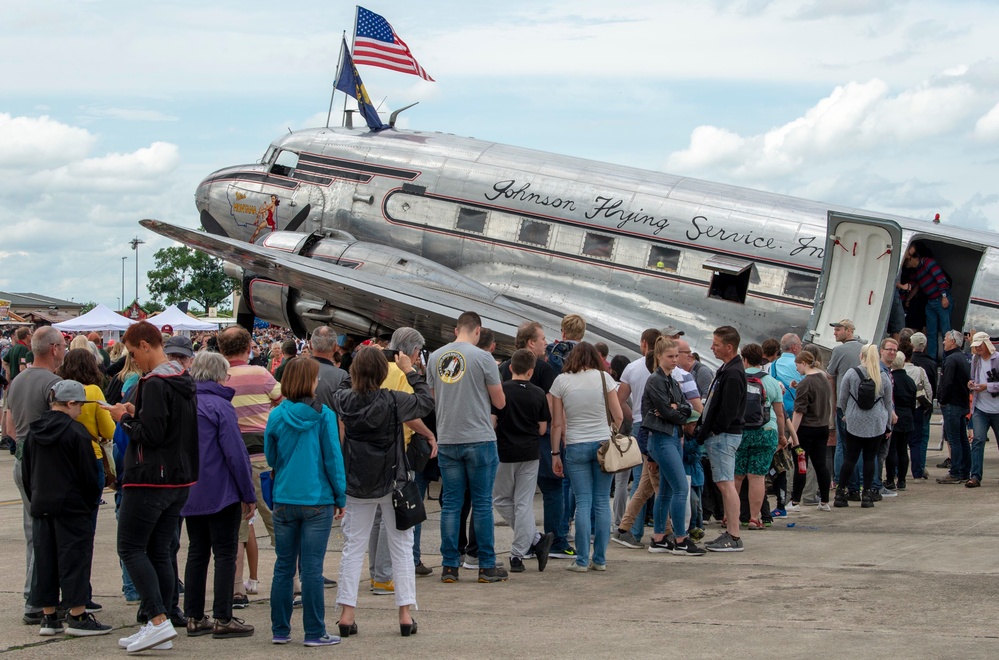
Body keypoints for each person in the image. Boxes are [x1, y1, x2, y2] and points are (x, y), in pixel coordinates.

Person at [105, 321, 199, 653]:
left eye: (133, 353)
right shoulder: (183, 378)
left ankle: (157, 619)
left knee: (130, 548)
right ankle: (159, 622)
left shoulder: (156, 381)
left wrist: (124, 418)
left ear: (146, 345)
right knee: (160, 549)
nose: (133, 360)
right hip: (178, 477)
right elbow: (168, 425)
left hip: (150, 478)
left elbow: (153, 433)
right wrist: (135, 410)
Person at [332, 347, 434, 638]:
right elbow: (425, 401)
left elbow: (343, 385)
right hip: (393, 482)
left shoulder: (345, 399)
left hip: (357, 483)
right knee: (401, 546)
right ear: (382, 373)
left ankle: (346, 613)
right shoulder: (392, 400)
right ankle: (404, 614)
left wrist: (357, 358)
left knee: (353, 547)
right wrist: (409, 370)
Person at [264, 357, 346, 647]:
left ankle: (280, 629)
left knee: (284, 566)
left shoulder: (276, 415)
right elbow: (333, 458)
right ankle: (314, 631)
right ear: (309, 382)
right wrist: (340, 495)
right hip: (316, 498)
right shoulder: (323, 415)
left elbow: (271, 458)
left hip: (284, 497)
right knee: (311, 568)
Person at [21, 380, 110, 637]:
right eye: (79, 405)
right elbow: (87, 475)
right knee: (75, 559)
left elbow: (27, 472)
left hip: (42, 504)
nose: (81, 410)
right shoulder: (77, 433)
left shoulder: (34, 431)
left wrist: (35, 497)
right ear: (70, 403)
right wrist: (91, 500)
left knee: (44, 560)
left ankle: (49, 616)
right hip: (72, 506)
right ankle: (77, 613)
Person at [181, 352, 256, 639]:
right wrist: (247, 493)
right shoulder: (220, 406)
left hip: (190, 488)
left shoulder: (185, 403)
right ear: (217, 375)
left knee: (197, 552)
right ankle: (223, 616)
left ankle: (194, 615)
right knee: (225, 552)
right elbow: (236, 454)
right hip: (221, 489)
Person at [427, 311, 507, 584]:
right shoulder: (483, 357)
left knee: (451, 504)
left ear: (455, 330)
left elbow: (436, 397)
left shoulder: (436, 357)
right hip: (479, 436)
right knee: (482, 504)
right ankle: (486, 565)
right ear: (478, 330)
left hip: (448, 436)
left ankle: (450, 566)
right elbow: (500, 402)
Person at [218, 326, 281, 608]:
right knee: (277, 521)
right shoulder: (261, 374)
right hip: (262, 458)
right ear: (249, 348)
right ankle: (291, 582)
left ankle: (235, 590)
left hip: (229, 461)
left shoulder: (218, 377)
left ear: (221, 350)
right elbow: (281, 401)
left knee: (238, 529)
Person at [5, 326, 65, 625]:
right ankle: (37, 600)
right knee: (46, 536)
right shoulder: (55, 383)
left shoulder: (17, 381)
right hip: (43, 465)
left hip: (21, 460)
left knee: (34, 532)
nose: (64, 349)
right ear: (53, 349)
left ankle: (36, 596)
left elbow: (10, 426)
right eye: (62, 345)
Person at [550, 342, 624, 571]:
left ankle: (581, 559)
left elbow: (557, 423)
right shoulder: (604, 378)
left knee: (583, 502)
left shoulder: (561, 381)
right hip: (603, 444)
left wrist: (555, 453)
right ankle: (600, 559)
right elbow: (619, 416)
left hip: (575, 445)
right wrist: (611, 433)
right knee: (602, 502)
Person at [492, 348, 554, 572]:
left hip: (504, 452)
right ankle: (522, 551)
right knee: (523, 502)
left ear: (509, 368)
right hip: (530, 452)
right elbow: (542, 428)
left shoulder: (501, 390)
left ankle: (533, 541)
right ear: (531, 371)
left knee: (500, 499)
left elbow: (492, 422)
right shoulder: (538, 393)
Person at [642, 337, 704, 555]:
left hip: (672, 437)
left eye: (677, 356)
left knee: (667, 490)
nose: (675, 360)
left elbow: (684, 408)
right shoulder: (657, 380)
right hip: (663, 438)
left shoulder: (670, 379)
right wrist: (678, 411)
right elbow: (672, 412)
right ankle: (680, 538)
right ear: (659, 357)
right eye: (670, 356)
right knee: (679, 487)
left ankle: (659, 537)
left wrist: (677, 410)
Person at [697, 326, 747, 552]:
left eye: (716, 344)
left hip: (724, 436)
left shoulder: (734, 373)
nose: (711, 347)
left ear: (729, 347)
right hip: (722, 435)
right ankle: (731, 533)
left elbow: (729, 409)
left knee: (726, 484)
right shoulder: (728, 369)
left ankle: (734, 535)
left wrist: (714, 430)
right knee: (724, 483)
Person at [835, 345, 895, 508]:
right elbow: (888, 403)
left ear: (861, 355)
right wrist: (888, 425)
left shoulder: (851, 373)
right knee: (870, 458)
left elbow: (842, 397)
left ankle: (840, 493)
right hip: (876, 422)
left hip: (855, 419)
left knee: (850, 458)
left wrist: (848, 412)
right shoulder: (882, 376)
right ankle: (867, 494)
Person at [735, 343, 785, 529]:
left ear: (744, 359)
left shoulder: (737, 378)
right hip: (765, 431)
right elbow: (780, 414)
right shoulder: (771, 381)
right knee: (757, 477)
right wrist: (782, 436)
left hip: (740, 432)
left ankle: (729, 516)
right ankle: (755, 518)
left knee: (736, 476)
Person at [826, 319, 865, 501]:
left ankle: (843, 484)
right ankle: (859, 485)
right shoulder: (864, 348)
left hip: (845, 404)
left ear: (848, 331)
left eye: (838, 330)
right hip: (863, 404)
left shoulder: (839, 350)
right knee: (860, 447)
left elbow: (830, 373)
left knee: (843, 446)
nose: (835, 333)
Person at [789, 351, 833, 510]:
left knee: (801, 465)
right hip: (822, 428)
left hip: (805, 430)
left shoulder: (805, 383)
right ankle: (825, 501)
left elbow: (799, 411)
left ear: (804, 363)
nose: (796, 369)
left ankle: (795, 501)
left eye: (797, 365)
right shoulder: (823, 379)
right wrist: (797, 387)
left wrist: (792, 435)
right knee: (821, 465)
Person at [902, 243, 952, 360]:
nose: (906, 264)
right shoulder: (917, 271)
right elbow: (915, 285)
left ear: (913, 258)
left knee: (946, 331)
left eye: (907, 260)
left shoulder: (928, 263)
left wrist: (944, 296)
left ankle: (947, 359)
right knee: (931, 332)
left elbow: (941, 279)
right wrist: (908, 298)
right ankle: (931, 358)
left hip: (940, 299)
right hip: (930, 301)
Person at [936, 330, 971, 484]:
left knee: (954, 439)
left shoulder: (951, 360)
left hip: (952, 403)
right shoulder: (964, 357)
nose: (943, 342)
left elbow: (947, 382)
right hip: (962, 403)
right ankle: (964, 470)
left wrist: (942, 399)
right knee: (962, 438)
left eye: (945, 339)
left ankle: (955, 472)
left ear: (953, 342)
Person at [966, 332, 999, 488]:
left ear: (987, 344)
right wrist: (971, 384)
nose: (977, 348)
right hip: (980, 407)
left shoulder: (997, 359)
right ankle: (975, 475)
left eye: (979, 345)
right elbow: (973, 377)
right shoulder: (975, 359)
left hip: (997, 408)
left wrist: (988, 386)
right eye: (975, 346)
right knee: (978, 440)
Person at [886, 354, 917, 491]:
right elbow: (913, 402)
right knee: (903, 450)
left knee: (891, 450)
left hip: (894, 415)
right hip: (907, 416)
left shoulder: (891, 380)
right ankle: (902, 480)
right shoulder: (910, 381)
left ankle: (890, 479)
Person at [908, 332, 937, 479]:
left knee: (901, 441)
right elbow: (932, 388)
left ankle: (895, 470)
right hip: (923, 404)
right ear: (924, 346)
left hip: (905, 406)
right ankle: (919, 467)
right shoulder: (931, 363)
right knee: (921, 438)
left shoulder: (906, 362)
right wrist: (929, 403)